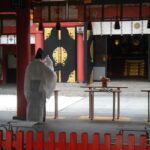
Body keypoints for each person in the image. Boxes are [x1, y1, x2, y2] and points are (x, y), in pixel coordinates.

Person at [24, 48, 57, 122]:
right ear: (42, 57)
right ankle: (39, 120)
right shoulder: (42, 66)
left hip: (31, 86)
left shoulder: (30, 65)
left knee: (31, 105)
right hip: (40, 87)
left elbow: (26, 78)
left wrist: (27, 89)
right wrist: (50, 63)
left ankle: (30, 119)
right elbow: (51, 74)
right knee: (40, 105)